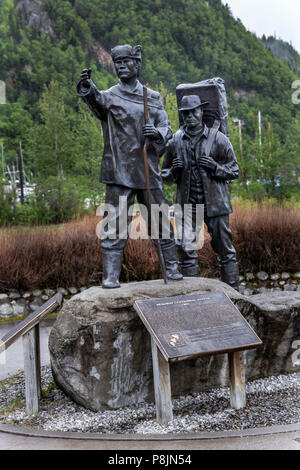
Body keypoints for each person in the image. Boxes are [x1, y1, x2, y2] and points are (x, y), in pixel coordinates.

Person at [77, 44, 182, 288]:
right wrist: (88, 89)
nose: (122, 66)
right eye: (118, 63)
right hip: (119, 170)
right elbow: (96, 103)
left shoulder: (152, 97)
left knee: (160, 220)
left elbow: (167, 129)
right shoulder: (110, 96)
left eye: (126, 62)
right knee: (114, 222)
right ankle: (111, 276)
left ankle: (173, 269)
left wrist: (156, 132)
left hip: (148, 169)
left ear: (137, 64)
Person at [161, 94, 240, 290]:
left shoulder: (218, 139)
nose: (189, 116)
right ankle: (192, 295)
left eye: (193, 111)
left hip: (216, 204)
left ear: (201, 112)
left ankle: (234, 295)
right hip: (188, 205)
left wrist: (215, 167)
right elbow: (163, 175)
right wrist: (174, 171)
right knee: (186, 248)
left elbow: (235, 170)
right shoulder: (175, 141)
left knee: (225, 249)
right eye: (185, 113)